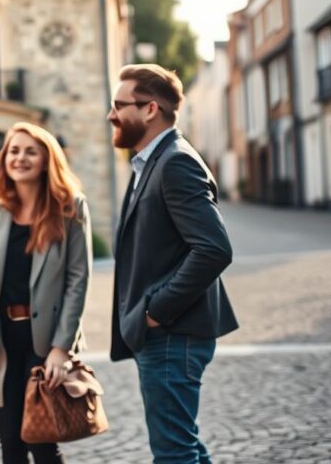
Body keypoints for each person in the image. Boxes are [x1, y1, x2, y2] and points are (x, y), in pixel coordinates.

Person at [107, 64, 237, 463]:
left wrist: (156, 311)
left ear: (150, 109)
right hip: (165, 336)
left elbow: (214, 249)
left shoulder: (176, 162)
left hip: (172, 334)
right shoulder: (151, 162)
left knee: (174, 453)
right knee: (183, 446)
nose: (111, 115)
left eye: (119, 105)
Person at [0, 122, 93, 464]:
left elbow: (78, 281)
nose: (20, 158)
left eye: (30, 152)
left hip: (46, 344)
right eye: (14, 150)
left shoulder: (70, 208)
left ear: (46, 160)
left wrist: (62, 349)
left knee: (42, 443)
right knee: (10, 443)